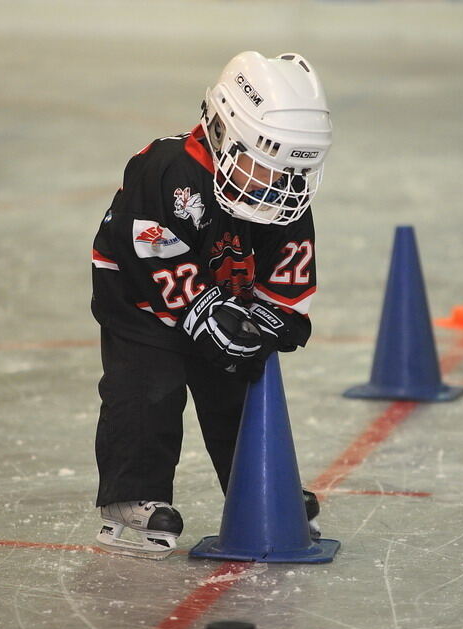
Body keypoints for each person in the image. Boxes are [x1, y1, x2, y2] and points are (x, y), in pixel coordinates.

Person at [91, 51, 332, 558]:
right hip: (139, 299)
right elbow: (146, 246)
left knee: (239, 386)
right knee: (148, 387)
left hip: (224, 293)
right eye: (265, 163)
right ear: (223, 132)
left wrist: (275, 316)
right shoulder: (165, 168)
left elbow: (290, 262)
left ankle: (260, 493)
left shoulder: (283, 195)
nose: (279, 183)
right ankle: (132, 494)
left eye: (291, 169)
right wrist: (200, 308)